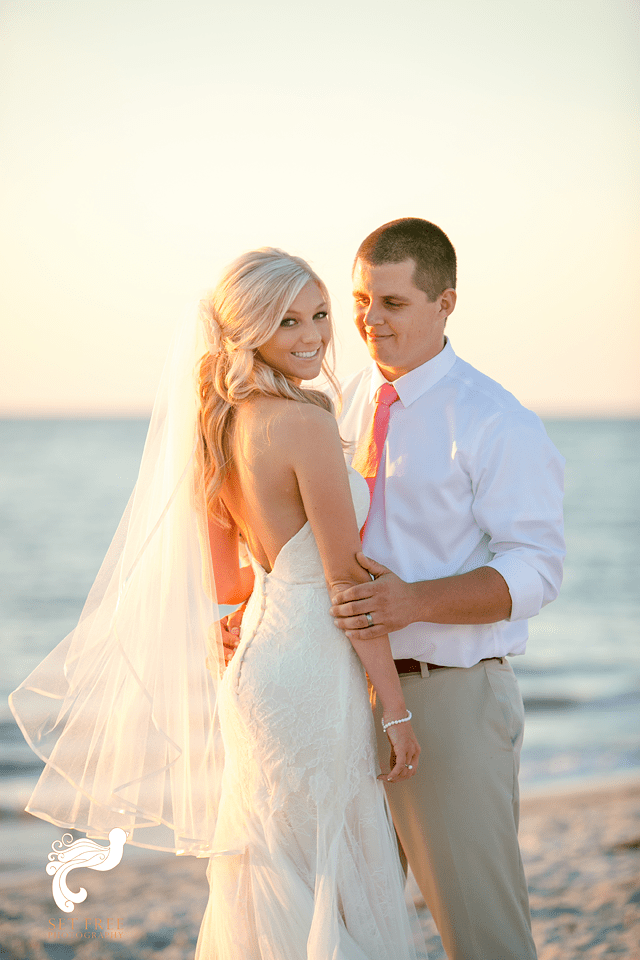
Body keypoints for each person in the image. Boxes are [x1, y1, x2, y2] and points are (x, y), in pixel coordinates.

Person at [11, 248, 426, 960]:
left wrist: (250, 607)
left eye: (321, 315)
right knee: (337, 870)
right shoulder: (306, 422)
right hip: (312, 678)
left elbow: (229, 583)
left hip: (256, 675)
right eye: (288, 320)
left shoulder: (218, 424)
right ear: (249, 331)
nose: (312, 335)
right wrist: (396, 709)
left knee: (273, 875)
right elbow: (347, 590)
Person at [327, 217, 566, 960]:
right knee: (345, 934)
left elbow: (537, 568)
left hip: (450, 704)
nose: (369, 319)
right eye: (362, 298)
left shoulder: (493, 419)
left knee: (483, 937)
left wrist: (415, 602)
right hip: (341, 697)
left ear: (445, 303)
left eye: (392, 302)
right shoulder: (344, 403)